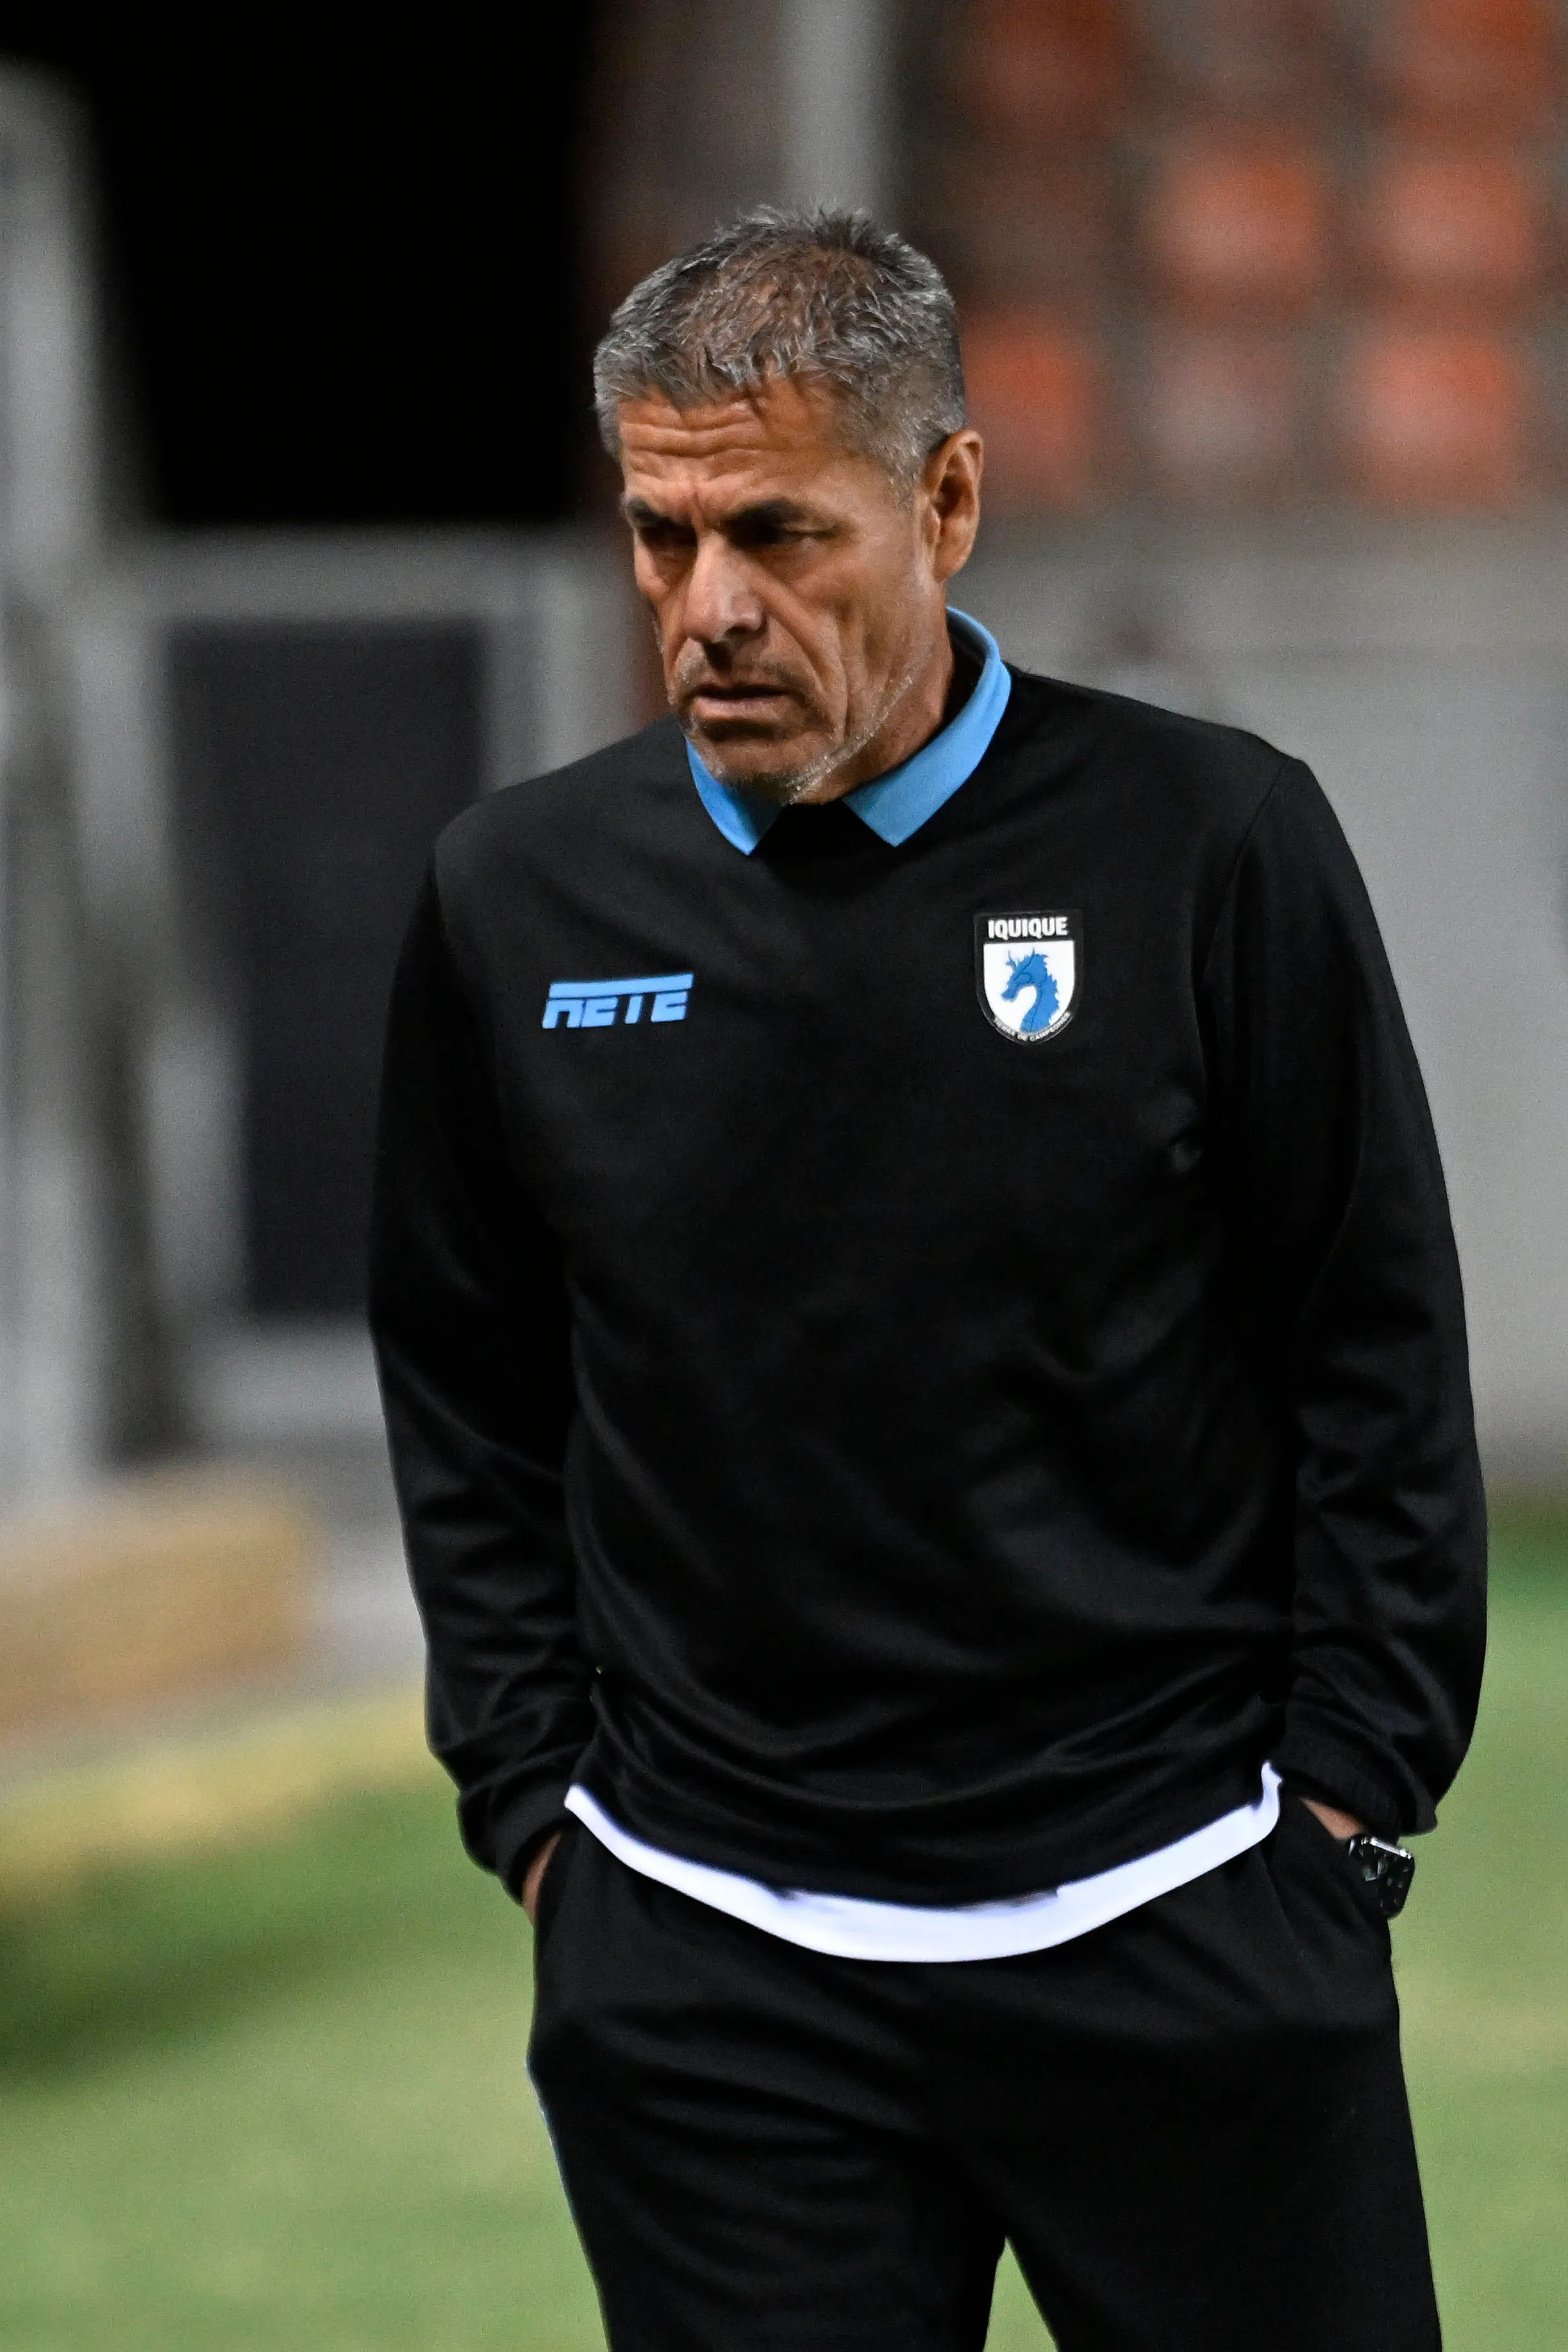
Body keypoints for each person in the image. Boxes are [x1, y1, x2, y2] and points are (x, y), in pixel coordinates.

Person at [369, 209, 1485, 2352]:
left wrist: (1338, 1812)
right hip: (709, 1967)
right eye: (659, 537)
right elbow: (466, 1377)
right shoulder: (510, 897)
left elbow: (1370, 1341)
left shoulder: (1213, 846)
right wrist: (540, 1815)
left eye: (777, 533)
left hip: (1184, 1927)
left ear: (945, 499)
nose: (707, 609)